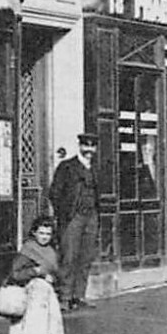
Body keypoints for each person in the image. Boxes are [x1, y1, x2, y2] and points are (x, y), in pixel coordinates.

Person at [6, 216, 76, 334]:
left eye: (48, 234)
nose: (44, 237)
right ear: (34, 233)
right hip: (34, 296)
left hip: (48, 296)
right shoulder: (28, 250)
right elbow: (16, 274)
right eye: (41, 233)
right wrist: (37, 271)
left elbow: (57, 271)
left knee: (55, 332)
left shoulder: (51, 251)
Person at [48, 132, 99, 310]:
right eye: (86, 146)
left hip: (91, 217)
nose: (89, 150)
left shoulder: (96, 168)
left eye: (92, 147)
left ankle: (79, 296)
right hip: (73, 217)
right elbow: (54, 192)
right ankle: (65, 298)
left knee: (86, 257)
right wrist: (64, 215)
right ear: (80, 146)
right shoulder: (67, 167)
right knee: (68, 257)